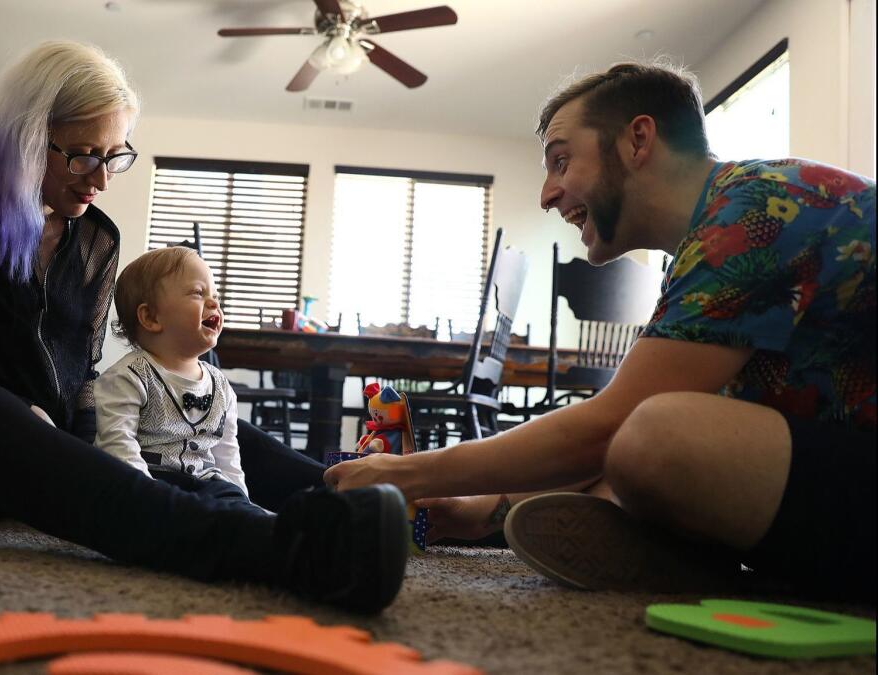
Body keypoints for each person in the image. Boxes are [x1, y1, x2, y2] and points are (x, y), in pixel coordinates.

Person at [0, 40, 408, 613]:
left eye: (114, 156)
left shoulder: (95, 239)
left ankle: (391, 503)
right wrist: (20, 415)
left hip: (46, 455)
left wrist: (105, 424)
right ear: (28, 138)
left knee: (202, 417)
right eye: (84, 155)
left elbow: (83, 375)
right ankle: (287, 549)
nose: (102, 179)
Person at [326, 60, 875, 598]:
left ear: (638, 141)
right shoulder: (718, 223)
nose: (546, 195)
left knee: (655, 435)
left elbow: (607, 426)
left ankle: (693, 559)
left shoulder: (755, 207)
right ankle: (682, 553)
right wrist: (484, 511)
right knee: (615, 470)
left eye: (561, 162)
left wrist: (412, 475)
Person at [94, 246, 249, 502]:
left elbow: (228, 455)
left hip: (206, 484)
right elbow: (118, 446)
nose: (213, 303)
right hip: (155, 485)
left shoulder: (220, 385)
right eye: (198, 293)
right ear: (151, 317)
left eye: (216, 296)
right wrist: (147, 499)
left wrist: (241, 499)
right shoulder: (129, 377)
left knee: (231, 500)